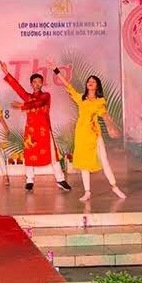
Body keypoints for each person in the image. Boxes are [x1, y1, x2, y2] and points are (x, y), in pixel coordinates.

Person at [50, 65, 127, 202]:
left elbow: (104, 115)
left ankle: (114, 187)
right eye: (89, 81)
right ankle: (87, 192)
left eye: (93, 81)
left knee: (104, 160)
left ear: (97, 86)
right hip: (81, 134)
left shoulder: (100, 101)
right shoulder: (81, 98)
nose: (90, 82)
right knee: (84, 164)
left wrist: (110, 127)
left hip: (94, 134)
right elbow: (68, 85)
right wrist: (56, 70)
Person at [0, 61, 71, 192]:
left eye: (39, 82)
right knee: (30, 154)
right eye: (35, 82)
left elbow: (38, 103)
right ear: (31, 84)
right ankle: (29, 180)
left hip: (44, 130)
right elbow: (18, 88)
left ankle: (60, 179)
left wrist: (23, 106)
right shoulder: (28, 97)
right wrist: (6, 73)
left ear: (42, 84)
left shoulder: (46, 96)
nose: (37, 84)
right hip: (31, 131)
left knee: (52, 155)